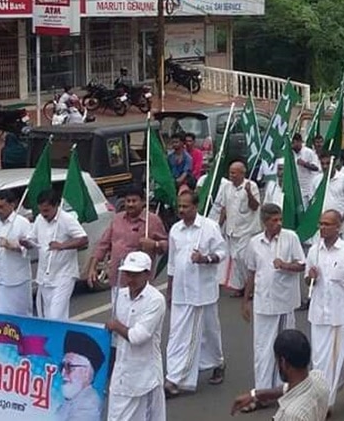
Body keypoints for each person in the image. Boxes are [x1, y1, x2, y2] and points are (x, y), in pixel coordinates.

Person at [165, 190, 228, 397]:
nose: (181, 210)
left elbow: (222, 252)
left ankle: (177, 379)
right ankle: (177, 374)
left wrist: (205, 259)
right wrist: (170, 289)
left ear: (196, 206)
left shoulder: (209, 227)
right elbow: (172, 263)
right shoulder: (175, 229)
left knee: (203, 333)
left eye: (186, 206)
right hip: (181, 292)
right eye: (179, 207)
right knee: (177, 334)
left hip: (201, 292)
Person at [242, 204, 307, 397]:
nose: (278, 223)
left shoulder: (290, 238)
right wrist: (246, 300)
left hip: (285, 302)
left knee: (285, 349)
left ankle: (283, 390)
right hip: (263, 302)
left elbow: (302, 265)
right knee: (262, 349)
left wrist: (286, 265)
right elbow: (252, 273)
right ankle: (262, 392)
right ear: (264, 222)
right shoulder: (254, 243)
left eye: (280, 219)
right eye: (273, 220)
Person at [305, 210, 344, 412]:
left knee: (341, 357)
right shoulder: (314, 251)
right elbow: (308, 281)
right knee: (320, 361)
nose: (322, 227)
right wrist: (310, 276)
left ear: (338, 227)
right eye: (320, 223)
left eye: (327, 224)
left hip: (341, 316)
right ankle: (328, 401)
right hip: (319, 315)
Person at [105, 252, 167, 421]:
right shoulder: (120, 296)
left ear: (147, 274)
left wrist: (115, 326)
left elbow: (138, 336)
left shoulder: (156, 300)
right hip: (121, 374)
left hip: (145, 377)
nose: (130, 279)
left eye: (135, 274)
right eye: (127, 274)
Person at [230, 329, 330, 420]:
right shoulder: (320, 379)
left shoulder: (292, 415)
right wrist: (255, 395)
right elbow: (290, 388)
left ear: (283, 362)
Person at [88, 186, 167, 294]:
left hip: (140, 283)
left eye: (134, 201)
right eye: (128, 201)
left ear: (143, 202)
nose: (130, 204)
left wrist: (155, 244)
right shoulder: (117, 219)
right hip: (117, 280)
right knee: (119, 311)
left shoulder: (152, 221)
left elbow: (166, 246)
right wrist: (93, 268)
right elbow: (103, 245)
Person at [24, 189, 89, 320]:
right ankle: (57, 339)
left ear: (56, 206)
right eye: (41, 211)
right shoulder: (39, 219)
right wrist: (25, 243)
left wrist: (62, 246)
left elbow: (83, 239)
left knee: (56, 315)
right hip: (45, 276)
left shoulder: (67, 219)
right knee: (48, 316)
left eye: (47, 211)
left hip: (64, 275)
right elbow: (32, 239)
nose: (44, 214)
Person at [213, 162, 263, 297]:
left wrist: (248, 193)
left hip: (247, 230)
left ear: (242, 173)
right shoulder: (226, 187)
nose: (231, 175)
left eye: (234, 173)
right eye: (230, 172)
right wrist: (218, 226)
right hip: (232, 230)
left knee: (244, 258)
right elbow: (224, 208)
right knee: (235, 258)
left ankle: (251, 288)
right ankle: (242, 286)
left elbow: (255, 207)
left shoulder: (251, 186)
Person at [0, 190, 33, 316]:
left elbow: (31, 247)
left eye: (1, 207)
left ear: (12, 205)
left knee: (19, 316)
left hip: (17, 280)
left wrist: (14, 246)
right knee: (1, 318)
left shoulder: (22, 223)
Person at [58, 331, 106, 421]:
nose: (63, 372)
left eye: (69, 367)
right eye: (62, 366)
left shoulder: (88, 405)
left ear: (86, 372)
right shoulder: (71, 399)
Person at [292, 134, 322, 202]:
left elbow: (316, 168)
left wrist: (305, 164)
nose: (294, 145)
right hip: (297, 189)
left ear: (300, 142)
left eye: (296, 143)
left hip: (309, 188)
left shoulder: (308, 152)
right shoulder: (290, 153)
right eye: (293, 143)